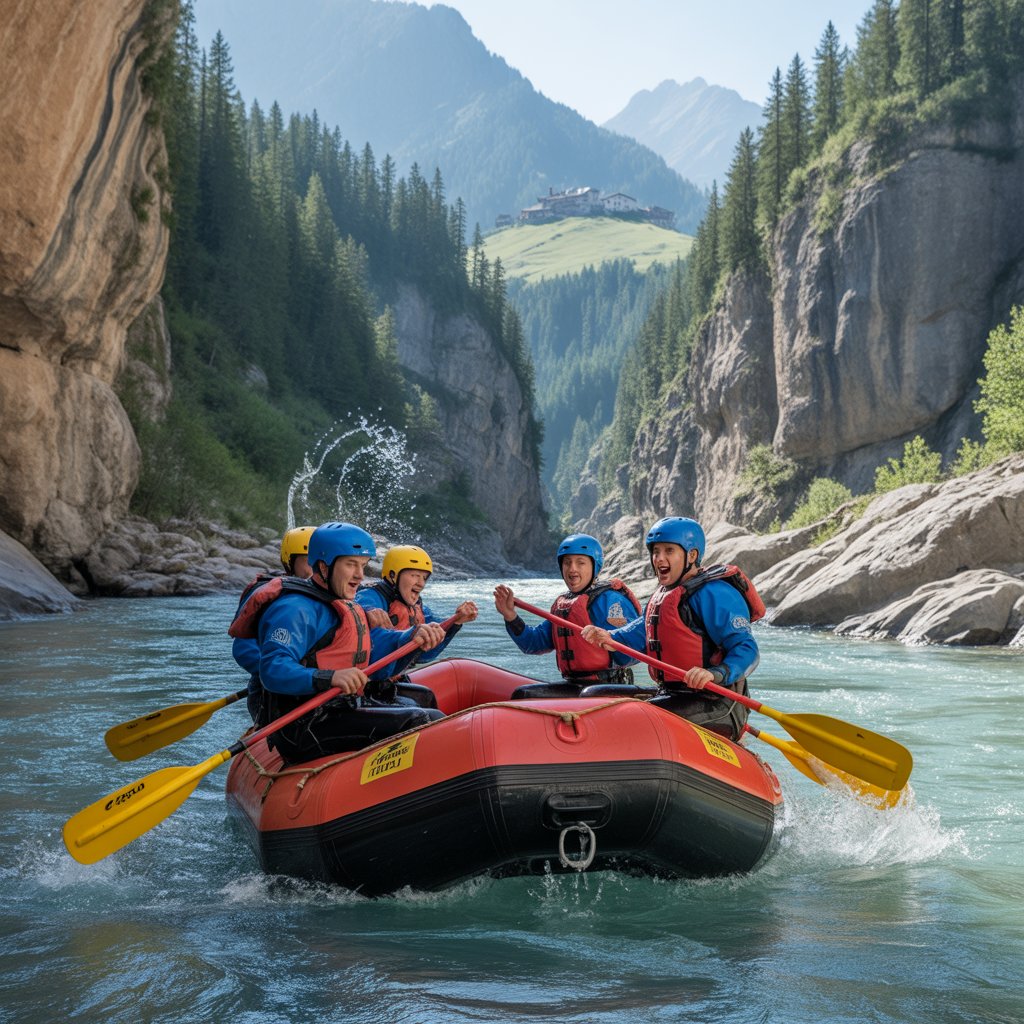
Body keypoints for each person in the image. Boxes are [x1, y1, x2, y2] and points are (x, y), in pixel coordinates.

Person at [228, 521, 446, 762]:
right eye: (351, 565)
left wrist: (411, 636)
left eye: (363, 566)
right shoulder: (294, 609)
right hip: (304, 724)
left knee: (424, 706)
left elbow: (374, 651)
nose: (359, 576)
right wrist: (330, 677)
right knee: (423, 720)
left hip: (340, 708)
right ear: (323, 566)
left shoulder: (345, 604)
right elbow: (272, 669)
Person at [580, 516, 764, 740]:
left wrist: (714, 674)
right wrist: (608, 637)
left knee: (639, 718)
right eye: (656, 551)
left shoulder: (715, 593)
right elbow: (639, 634)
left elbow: (747, 649)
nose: (659, 558)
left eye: (669, 551)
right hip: (672, 694)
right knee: (593, 694)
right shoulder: (663, 596)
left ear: (692, 556)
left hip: (716, 703)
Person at [493, 533, 641, 698]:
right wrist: (510, 616)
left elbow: (633, 651)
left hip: (611, 686)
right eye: (567, 562)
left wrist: (610, 641)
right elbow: (534, 643)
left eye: (581, 563)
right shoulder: (564, 605)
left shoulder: (611, 600)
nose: (572, 569)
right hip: (575, 686)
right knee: (524, 693)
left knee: (583, 694)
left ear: (594, 566)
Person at [356, 544, 478, 696]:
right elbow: (356, 605)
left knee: (426, 696)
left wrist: (456, 621)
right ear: (393, 575)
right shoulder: (372, 595)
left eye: (424, 577)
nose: (421, 583)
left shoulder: (416, 606)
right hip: (366, 683)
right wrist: (367, 611)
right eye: (414, 575)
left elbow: (427, 653)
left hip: (392, 679)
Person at [232, 526, 316, 721]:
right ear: (291, 561)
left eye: (322, 561)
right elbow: (244, 650)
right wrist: (290, 674)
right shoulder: (268, 594)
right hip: (272, 692)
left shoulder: (330, 598)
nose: (316, 568)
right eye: (309, 561)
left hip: (317, 685)